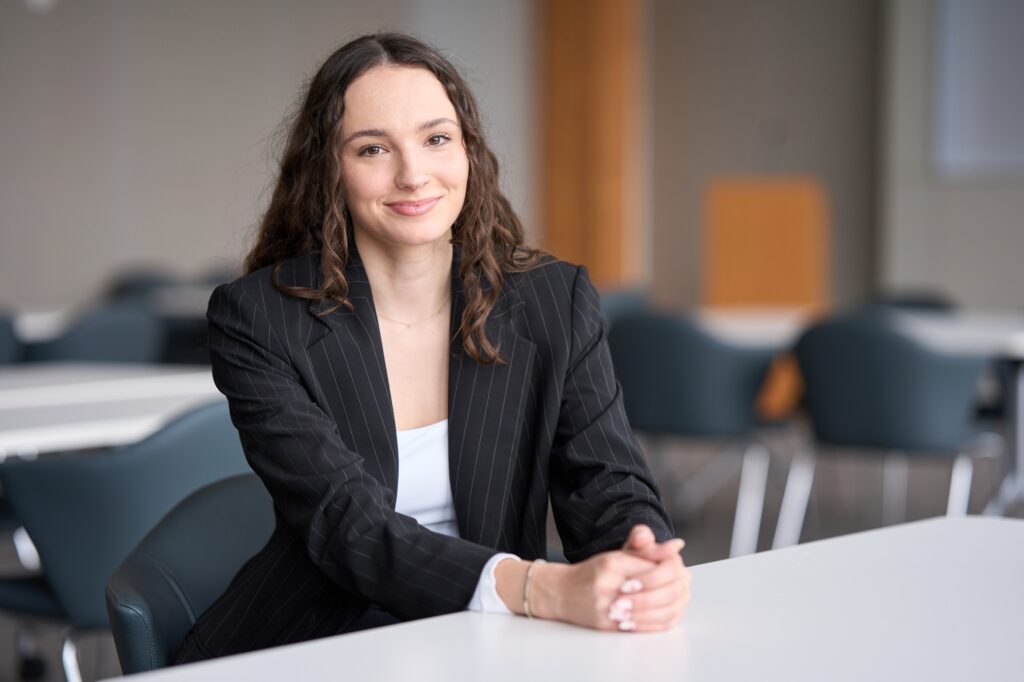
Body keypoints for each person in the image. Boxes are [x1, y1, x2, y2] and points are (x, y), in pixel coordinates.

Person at [176, 32, 690, 663]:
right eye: (373, 149)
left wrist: (638, 555)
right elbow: (347, 525)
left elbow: (608, 481)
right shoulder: (258, 319)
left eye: (436, 138)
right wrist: (535, 586)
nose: (413, 173)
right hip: (314, 641)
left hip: (491, 641)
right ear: (330, 170)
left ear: (468, 151)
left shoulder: (555, 300)